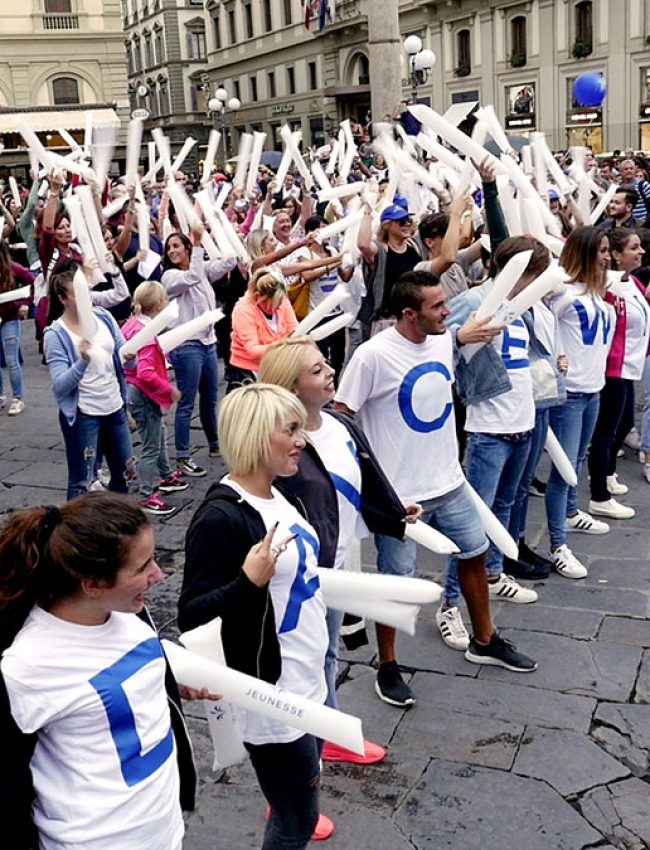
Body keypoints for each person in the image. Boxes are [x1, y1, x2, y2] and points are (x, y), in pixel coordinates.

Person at [335, 270, 537, 707]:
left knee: (475, 551)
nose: (447, 311)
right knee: (396, 582)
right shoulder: (372, 355)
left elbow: (460, 338)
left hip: (448, 479)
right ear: (409, 314)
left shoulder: (444, 339)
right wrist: (374, 488)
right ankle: (386, 665)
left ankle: (484, 639)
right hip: (402, 496)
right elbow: (341, 415)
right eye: (438, 306)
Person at [179, 384, 330, 849]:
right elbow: (192, 618)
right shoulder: (220, 519)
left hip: (308, 677)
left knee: (298, 809)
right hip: (273, 697)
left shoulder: (281, 494)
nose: (302, 439)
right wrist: (248, 582)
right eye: (290, 430)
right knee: (296, 819)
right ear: (255, 436)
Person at [259, 337, 420, 759]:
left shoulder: (341, 424)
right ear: (290, 388)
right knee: (300, 660)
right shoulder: (278, 443)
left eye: (324, 364)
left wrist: (394, 509)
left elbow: (362, 480)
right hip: (300, 574)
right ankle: (296, 755)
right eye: (316, 370)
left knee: (326, 651)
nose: (330, 370)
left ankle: (328, 732)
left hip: (338, 560)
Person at [0, 492, 189, 850]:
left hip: (162, 831)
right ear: (92, 584)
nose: (158, 574)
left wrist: (171, 682)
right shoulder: (27, 667)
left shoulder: (126, 610)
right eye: (142, 566)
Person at [546, 227, 615, 578]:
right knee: (564, 468)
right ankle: (558, 544)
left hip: (593, 390)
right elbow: (543, 330)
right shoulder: (563, 295)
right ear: (585, 253)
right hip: (570, 393)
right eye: (601, 250)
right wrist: (555, 361)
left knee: (580, 457)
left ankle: (571, 513)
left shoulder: (597, 296)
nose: (607, 257)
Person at [43, 259, 136, 500]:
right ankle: (73, 534)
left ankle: (115, 526)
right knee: (81, 481)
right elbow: (60, 386)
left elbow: (123, 358)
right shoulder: (56, 334)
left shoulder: (103, 316)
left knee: (125, 473)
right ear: (63, 299)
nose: (86, 298)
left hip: (114, 406)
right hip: (84, 414)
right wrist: (82, 360)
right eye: (77, 294)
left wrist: (132, 355)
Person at [161, 224, 237, 476]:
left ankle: (215, 443)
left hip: (207, 342)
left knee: (210, 398)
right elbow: (191, 277)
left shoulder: (199, 268)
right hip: (186, 345)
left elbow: (228, 262)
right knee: (185, 403)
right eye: (169, 247)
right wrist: (196, 244)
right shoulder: (169, 277)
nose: (172, 251)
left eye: (176, 246)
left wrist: (217, 228)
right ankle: (183, 456)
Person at [587, 228, 650, 517]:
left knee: (623, 427)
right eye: (634, 248)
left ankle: (607, 473)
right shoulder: (606, 288)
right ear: (616, 255)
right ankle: (598, 494)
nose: (641, 252)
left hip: (630, 367)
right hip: (612, 368)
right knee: (607, 431)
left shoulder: (633, 281)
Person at [122, 281, 189, 515]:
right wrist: (169, 389)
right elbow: (146, 373)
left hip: (133, 389)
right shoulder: (148, 336)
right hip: (144, 393)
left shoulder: (132, 324)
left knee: (158, 433)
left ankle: (166, 475)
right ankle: (146, 494)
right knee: (151, 445)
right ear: (160, 304)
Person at [228, 267, 298, 391]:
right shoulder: (243, 310)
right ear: (258, 297)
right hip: (247, 371)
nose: (278, 308)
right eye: (273, 304)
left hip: (275, 367)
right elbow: (253, 350)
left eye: (280, 302)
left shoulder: (282, 301)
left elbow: (294, 330)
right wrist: (284, 345)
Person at [0, 241, 33, 416]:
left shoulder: (12, 268)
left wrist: (25, 303)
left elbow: (32, 280)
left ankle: (17, 398)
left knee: (11, 359)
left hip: (10, 317)